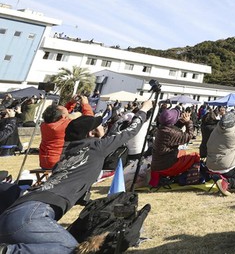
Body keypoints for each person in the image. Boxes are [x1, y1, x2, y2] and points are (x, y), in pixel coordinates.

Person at [0, 101, 152, 253]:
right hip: (32, 216)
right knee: (73, 250)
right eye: (99, 125)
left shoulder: (67, 152)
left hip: (12, 213)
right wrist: (144, 110)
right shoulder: (96, 147)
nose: (103, 127)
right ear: (91, 133)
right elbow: (129, 132)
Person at [39, 95, 95, 170]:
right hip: (58, 162)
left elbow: (61, 115)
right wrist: (85, 104)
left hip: (44, 162)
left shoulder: (44, 125)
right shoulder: (66, 126)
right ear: (63, 116)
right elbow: (89, 120)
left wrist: (71, 103)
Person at [206, 107, 235, 194]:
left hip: (211, 164)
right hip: (226, 166)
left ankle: (219, 178)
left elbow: (230, 120)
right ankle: (227, 183)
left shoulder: (217, 129)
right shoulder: (234, 135)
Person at [150, 108, 199, 187]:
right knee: (195, 156)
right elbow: (188, 136)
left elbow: (174, 127)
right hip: (167, 167)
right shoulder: (170, 133)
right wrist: (188, 122)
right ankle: (192, 179)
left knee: (182, 153)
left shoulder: (161, 128)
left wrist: (182, 121)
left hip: (157, 165)